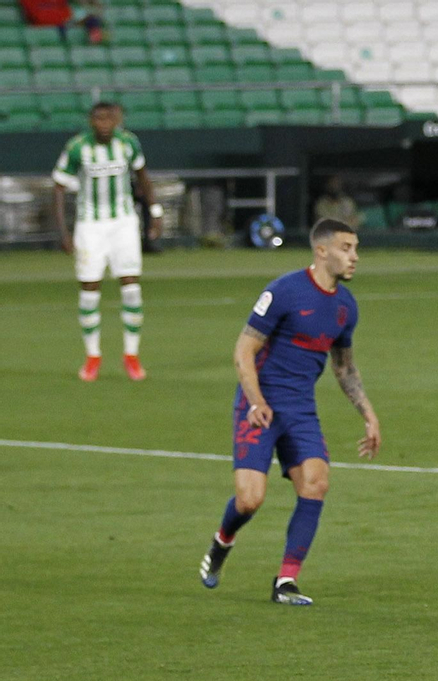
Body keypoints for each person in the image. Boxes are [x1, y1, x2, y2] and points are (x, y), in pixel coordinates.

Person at [198, 219, 381, 606]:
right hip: (258, 405)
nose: (355, 256)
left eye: (356, 248)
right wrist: (256, 400)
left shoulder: (346, 307)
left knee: (316, 482)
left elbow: (344, 367)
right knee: (249, 500)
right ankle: (222, 542)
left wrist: (368, 413)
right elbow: (243, 351)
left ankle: (286, 581)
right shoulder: (284, 291)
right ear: (322, 251)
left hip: (300, 409)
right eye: (347, 248)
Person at [52, 101, 162, 382]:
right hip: (90, 226)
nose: (103, 124)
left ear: (118, 120)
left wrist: (155, 211)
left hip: (123, 223)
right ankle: (92, 356)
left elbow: (143, 178)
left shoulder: (128, 143)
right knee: (89, 288)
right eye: (98, 119)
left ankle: (131, 356)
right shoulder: (78, 147)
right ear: (91, 121)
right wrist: (63, 231)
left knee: (131, 286)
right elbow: (59, 186)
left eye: (109, 119)